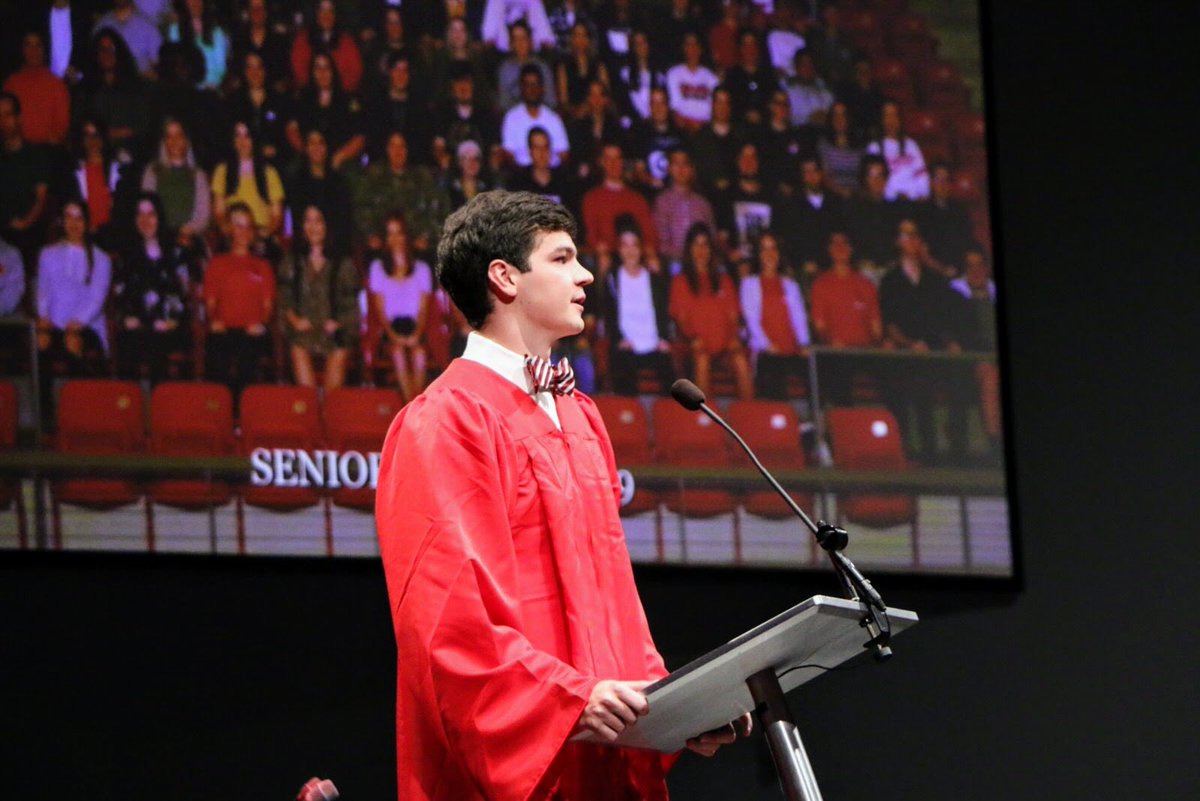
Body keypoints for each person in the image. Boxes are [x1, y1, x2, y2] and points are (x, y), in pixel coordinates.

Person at [375, 190, 748, 801]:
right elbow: (448, 622)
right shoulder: (444, 421)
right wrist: (566, 701)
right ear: (504, 277)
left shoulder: (580, 417)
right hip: (520, 764)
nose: (586, 274)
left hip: (602, 752)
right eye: (562, 257)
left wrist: (671, 708)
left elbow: (613, 600)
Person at [112, 192, 197, 381]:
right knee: (131, 339)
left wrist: (172, 320)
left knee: (158, 343)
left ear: (159, 217)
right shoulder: (126, 254)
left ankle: (161, 404)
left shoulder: (176, 253)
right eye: (140, 215)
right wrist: (127, 318)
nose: (145, 220)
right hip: (137, 324)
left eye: (151, 214)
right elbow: (120, 293)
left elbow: (183, 293)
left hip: (170, 325)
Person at [278, 204, 359, 391]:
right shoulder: (292, 261)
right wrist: (295, 320)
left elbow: (352, 306)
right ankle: (311, 409)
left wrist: (339, 323)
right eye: (308, 221)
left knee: (340, 349)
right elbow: (284, 299)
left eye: (318, 221)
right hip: (303, 331)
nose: (313, 227)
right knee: (297, 348)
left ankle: (328, 410)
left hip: (333, 332)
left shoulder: (343, 264)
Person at [36, 200, 112, 396]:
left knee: (75, 344)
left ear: (86, 222)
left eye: (79, 218)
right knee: (40, 344)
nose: (74, 223)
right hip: (53, 325)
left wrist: (78, 324)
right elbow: (43, 291)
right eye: (69, 217)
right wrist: (44, 319)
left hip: (87, 326)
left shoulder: (101, 259)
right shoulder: (47, 254)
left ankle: (81, 409)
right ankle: (46, 414)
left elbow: (97, 299)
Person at [669, 222, 752, 400]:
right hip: (693, 347)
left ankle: (747, 419)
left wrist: (732, 339)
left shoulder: (724, 281)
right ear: (689, 249)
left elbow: (733, 318)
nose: (701, 250)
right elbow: (681, 321)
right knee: (702, 359)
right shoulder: (680, 281)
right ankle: (704, 423)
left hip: (723, 346)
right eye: (697, 244)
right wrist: (693, 339)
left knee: (741, 361)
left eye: (705, 244)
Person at [203, 202, 276, 397]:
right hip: (224, 329)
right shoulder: (217, 264)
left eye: (247, 226)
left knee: (248, 361)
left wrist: (262, 324)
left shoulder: (262, 266)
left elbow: (268, 307)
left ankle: (245, 416)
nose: (243, 231)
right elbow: (210, 305)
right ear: (229, 229)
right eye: (238, 225)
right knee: (218, 357)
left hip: (252, 331)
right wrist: (214, 321)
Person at [808, 230, 882, 405]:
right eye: (835, 244)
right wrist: (831, 343)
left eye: (844, 244)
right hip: (836, 352)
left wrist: (875, 344)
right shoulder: (821, 284)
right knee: (837, 372)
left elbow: (876, 327)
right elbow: (819, 328)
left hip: (864, 352)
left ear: (851, 249)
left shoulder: (865, 284)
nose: (840, 248)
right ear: (829, 250)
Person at [601, 217, 673, 395]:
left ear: (641, 249)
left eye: (634, 245)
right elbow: (609, 316)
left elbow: (663, 313)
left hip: (655, 345)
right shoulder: (613, 279)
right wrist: (619, 340)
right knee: (623, 372)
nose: (630, 251)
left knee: (671, 380)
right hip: (627, 346)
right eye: (625, 245)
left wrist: (664, 339)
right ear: (619, 249)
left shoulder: (654, 278)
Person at [367, 213, 433, 401]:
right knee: (397, 352)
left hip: (415, 328)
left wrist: (416, 335)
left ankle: (416, 406)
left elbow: (423, 310)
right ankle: (410, 406)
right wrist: (392, 335)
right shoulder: (377, 268)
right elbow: (379, 311)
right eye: (390, 234)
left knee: (419, 354)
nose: (395, 239)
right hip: (389, 329)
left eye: (399, 233)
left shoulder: (422, 269)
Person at [740, 230, 810, 400]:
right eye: (764, 249)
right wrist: (768, 345)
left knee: (816, 369)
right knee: (774, 370)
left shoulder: (791, 285)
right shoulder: (749, 284)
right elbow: (752, 321)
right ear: (758, 254)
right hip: (766, 350)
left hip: (792, 349)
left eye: (773, 249)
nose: (769, 254)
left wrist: (804, 344)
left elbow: (799, 319)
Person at [140, 117, 212, 248]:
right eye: (169, 136)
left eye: (179, 136)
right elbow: (146, 208)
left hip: (190, 238)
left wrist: (186, 232)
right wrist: (167, 235)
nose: (174, 141)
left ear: (186, 140)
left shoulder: (198, 175)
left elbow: (203, 216)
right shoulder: (152, 171)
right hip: (158, 237)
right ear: (163, 142)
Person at [580, 141, 657, 260]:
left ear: (623, 162)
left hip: (633, 256)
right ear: (602, 162)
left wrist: (648, 253)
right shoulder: (591, 198)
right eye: (608, 159)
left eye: (617, 159)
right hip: (605, 256)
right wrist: (600, 250)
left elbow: (648, 234)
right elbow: (591, 236)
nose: (613, 163)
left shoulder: (637, 199)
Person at [211, 120, 286, 241]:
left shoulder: (269, 172)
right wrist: (228, 230)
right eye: (238, 136)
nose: (242, 142)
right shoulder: (222, 170)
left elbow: (277, 215)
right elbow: (219, 212)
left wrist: (264, 233)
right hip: (233, 235)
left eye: (246, 136)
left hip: (260, 234)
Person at [2, 31, 71, 146]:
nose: (33, 51)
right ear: (22, 49)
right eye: (28, 45)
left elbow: (61, 127)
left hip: (48, 152)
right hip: (17, 151)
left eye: (38, 45)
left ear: (44, 49)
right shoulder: (11, 83)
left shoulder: (56, 84)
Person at [652, 147, 716, 268]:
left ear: (692, 169)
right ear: (669, 168)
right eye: (676, 163)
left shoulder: (703, 204)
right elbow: (661, 243)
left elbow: (712, 240)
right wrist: (686, 257)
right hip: (675, 263)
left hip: (702, 263)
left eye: (685, 164)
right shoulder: (662, 202)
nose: (681, 169)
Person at [501, 63, 570, 168]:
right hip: (522, 175)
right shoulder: (512, 118)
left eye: (535, 84)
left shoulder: (553, 118)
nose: (532, 89)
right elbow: (508, 155)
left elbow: (564, 154)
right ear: (521, 88)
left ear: (542, 88)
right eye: (528, 85)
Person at [291, 0, 363, 93]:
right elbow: (299, 72)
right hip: (309, 95)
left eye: (330, 11)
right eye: (322, 10)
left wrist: (335, 92)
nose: (326, 15)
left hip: (341, 96)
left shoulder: (347, 42)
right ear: (316, 13)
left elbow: (355, 73)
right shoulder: (302, 40)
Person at [866, 101, 930, 201]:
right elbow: (874, 180)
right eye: (887, 116)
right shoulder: (874, 147)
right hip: (887, 202)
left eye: (894, 115)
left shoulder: (911, 145)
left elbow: (921, 174)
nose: (891, 120)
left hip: (913, 202)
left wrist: (922, 194)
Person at [166, 0, 229, 90]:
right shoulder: (174, 31)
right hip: (185, 90)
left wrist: (210, 84)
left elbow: (220, 68)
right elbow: (174, 66)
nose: (195, 3)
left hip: (210, 89)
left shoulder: (217, 32)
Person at [664, 31, 719, 133]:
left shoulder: (711, 77)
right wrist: (688, 124)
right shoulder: (673, 73)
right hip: (681, 128)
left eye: (695, 45)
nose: (692, 49)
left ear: (700, 49)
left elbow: (715, 109)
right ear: (683, 48)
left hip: (706, 128)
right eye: (688, 45)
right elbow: (673, 108)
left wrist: (702, 126)